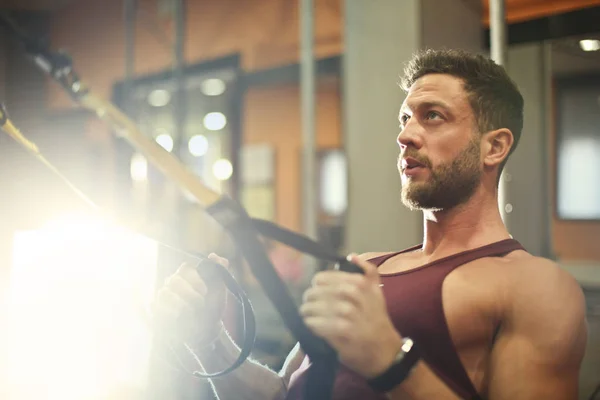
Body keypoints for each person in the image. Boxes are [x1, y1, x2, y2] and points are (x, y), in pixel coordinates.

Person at [152, 49, 588, 400]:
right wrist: (210, 339)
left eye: (432, 115)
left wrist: (390, 361)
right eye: (405, 118)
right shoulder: (364, 268)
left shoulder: (534, 286)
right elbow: (284, 393)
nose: (406, 135)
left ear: (494, 147)